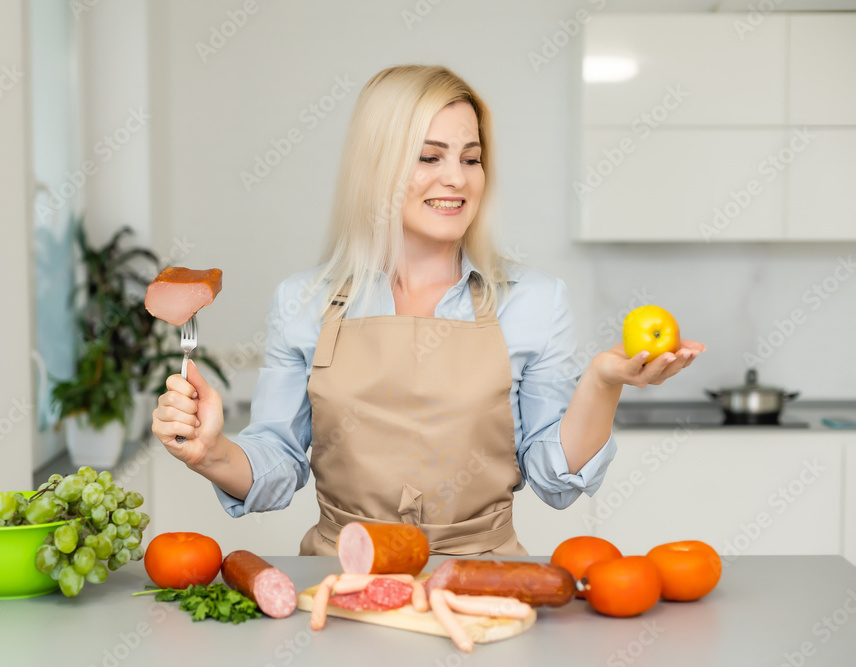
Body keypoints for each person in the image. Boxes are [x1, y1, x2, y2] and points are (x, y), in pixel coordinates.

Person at [151, 65, 704, 556]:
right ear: (377, 167)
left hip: (482, 582)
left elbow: (555, 481)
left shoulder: (535, 301)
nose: (457, 179)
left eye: (471, 158)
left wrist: (603, 383)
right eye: (428, 157)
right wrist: (212, 452)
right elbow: (278, 462)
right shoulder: (303, 301)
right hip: (342, 584)